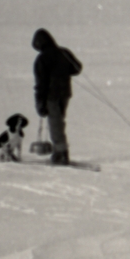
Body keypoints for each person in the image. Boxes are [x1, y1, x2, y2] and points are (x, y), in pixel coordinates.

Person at [31, 28, 82, 165]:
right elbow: (77, 68)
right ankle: (61, 151)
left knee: (55, 123)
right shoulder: (64, 52)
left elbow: (40, 84)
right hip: (65, 93)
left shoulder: (41, 59)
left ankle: (61, 154)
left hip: (51, 96)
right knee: (59, 122)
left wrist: (40, 104)